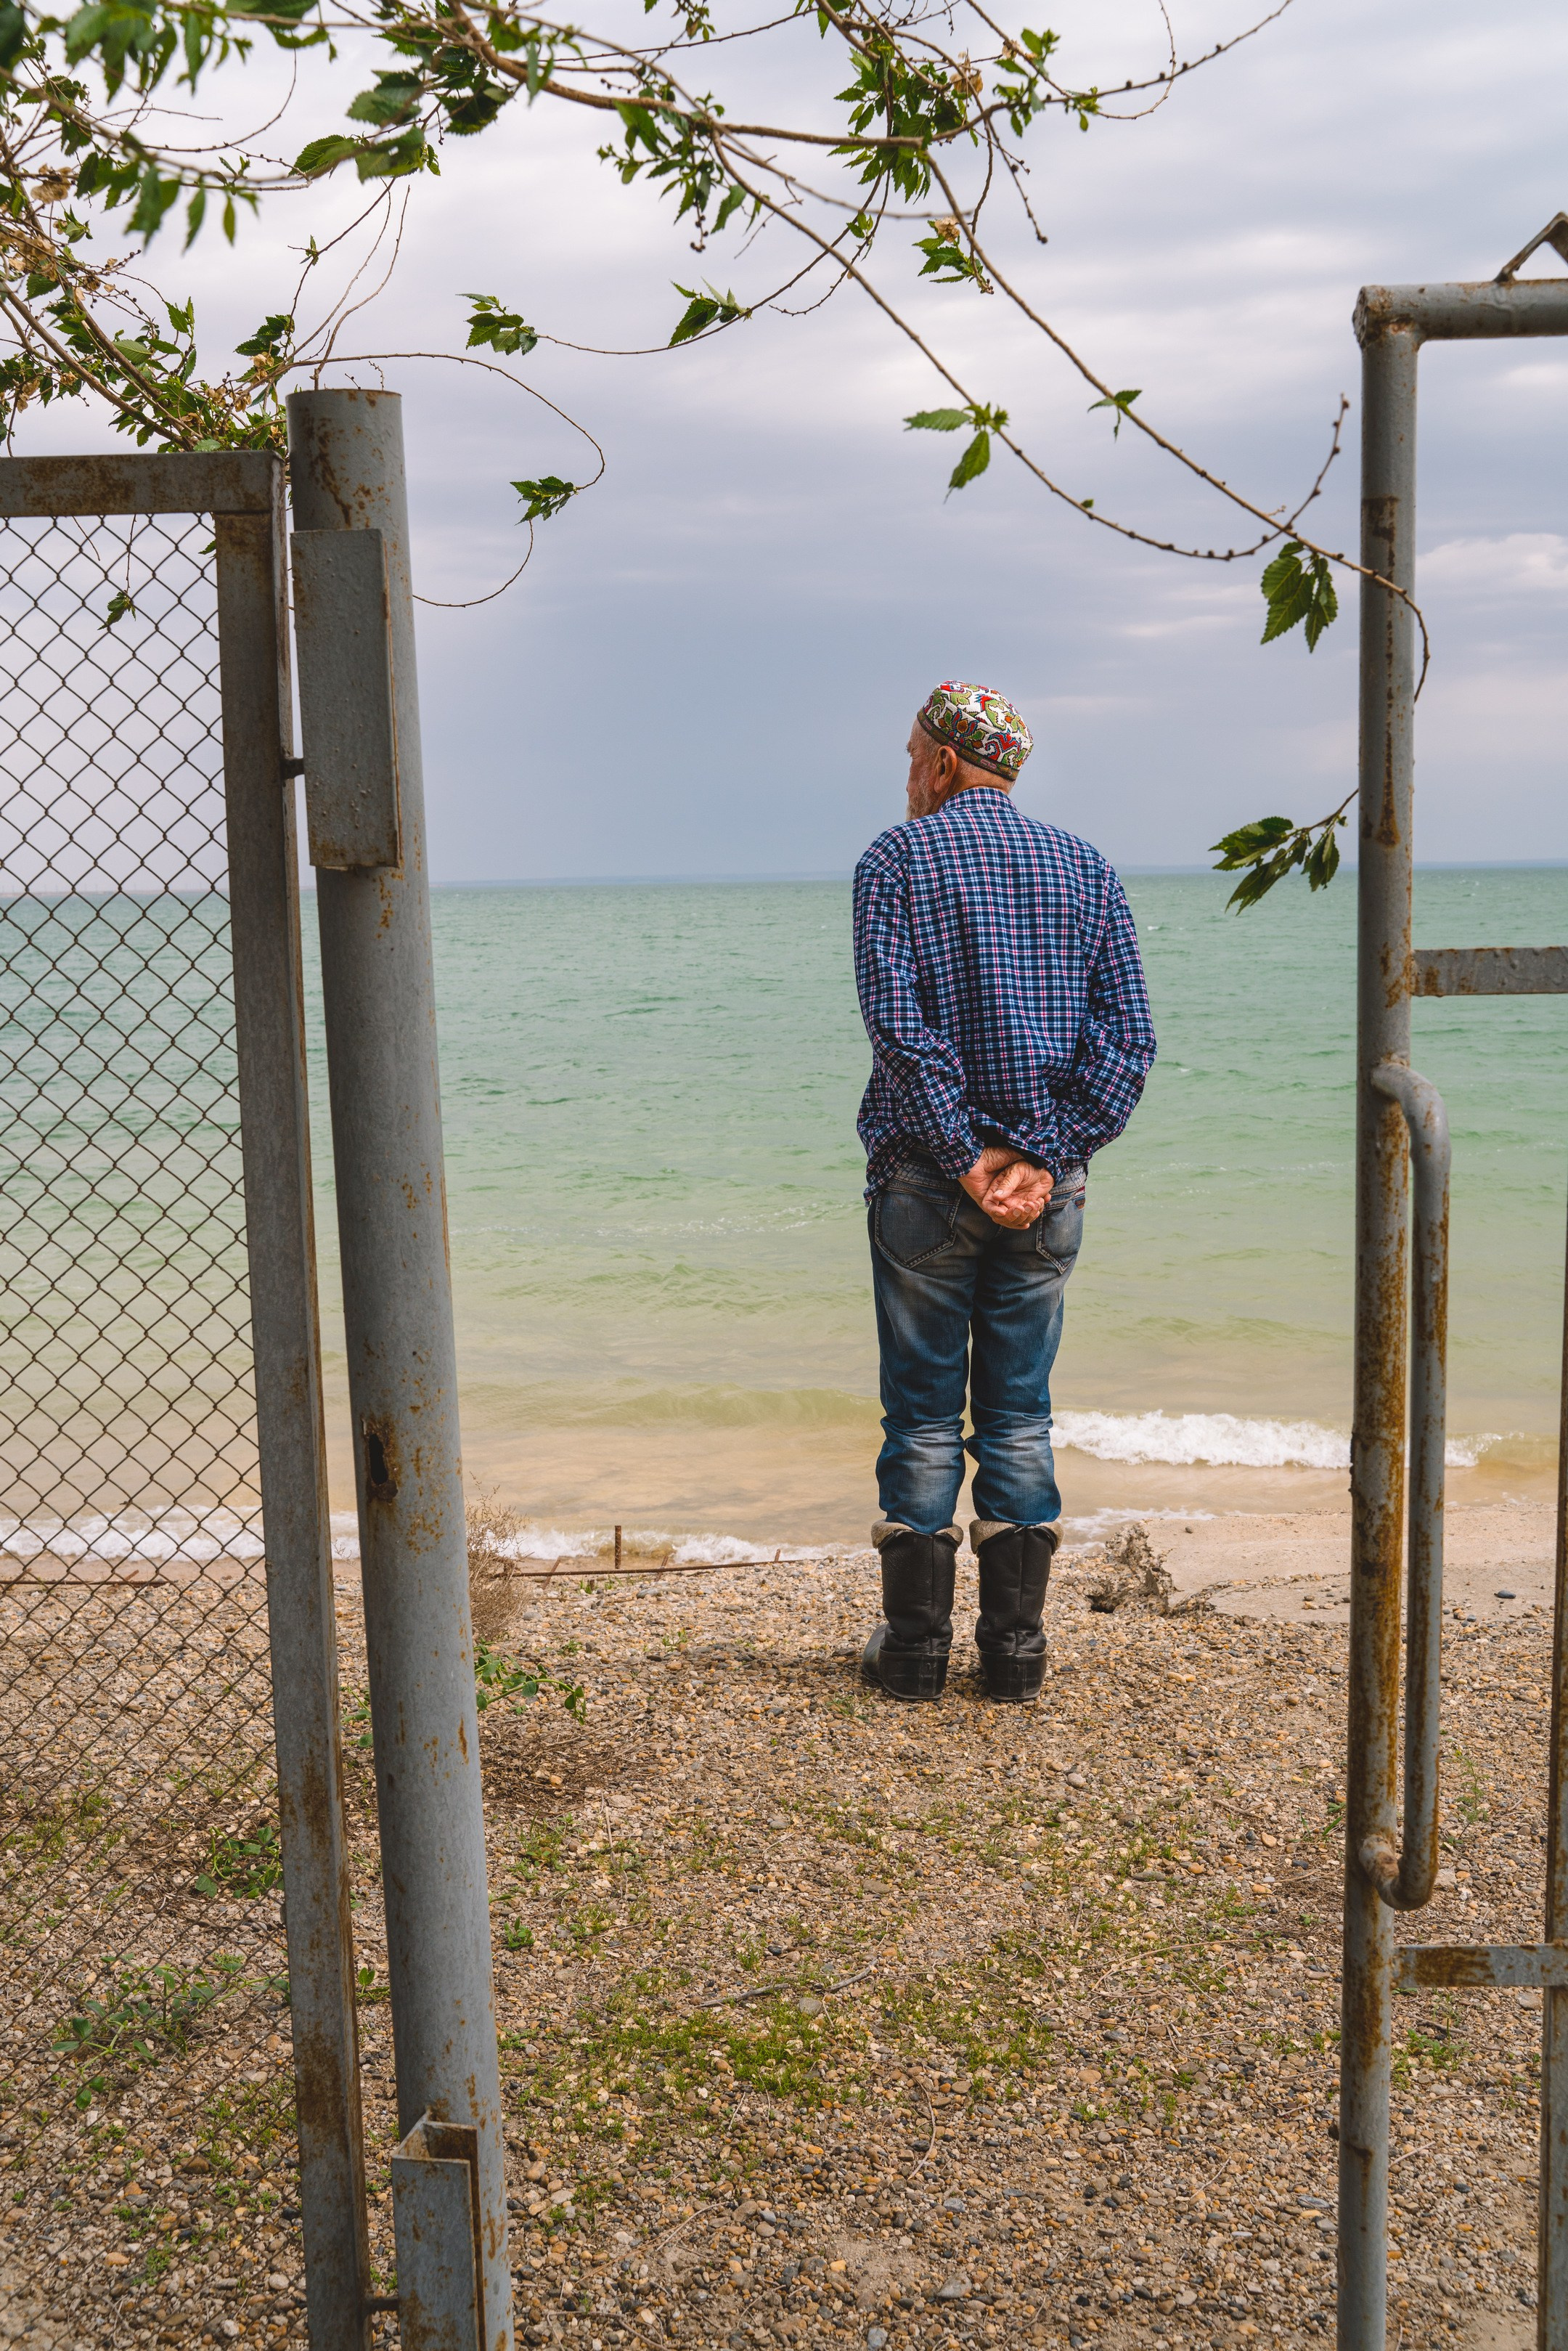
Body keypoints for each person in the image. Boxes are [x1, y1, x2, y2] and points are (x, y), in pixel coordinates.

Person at [852, 681, 1156, 1704]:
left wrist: (964, 1157)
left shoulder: (894, 862)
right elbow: (1128, 1041)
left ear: (943, 761)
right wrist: (1041, 1156)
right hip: (1047, 1191)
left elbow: (900, 1028)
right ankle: (1016, 1657)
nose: (905, 775)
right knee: (1021, 1415)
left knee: (923, 1419)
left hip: (925, 1184)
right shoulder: (1089, 868)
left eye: (909, 755)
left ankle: (914, 1655)